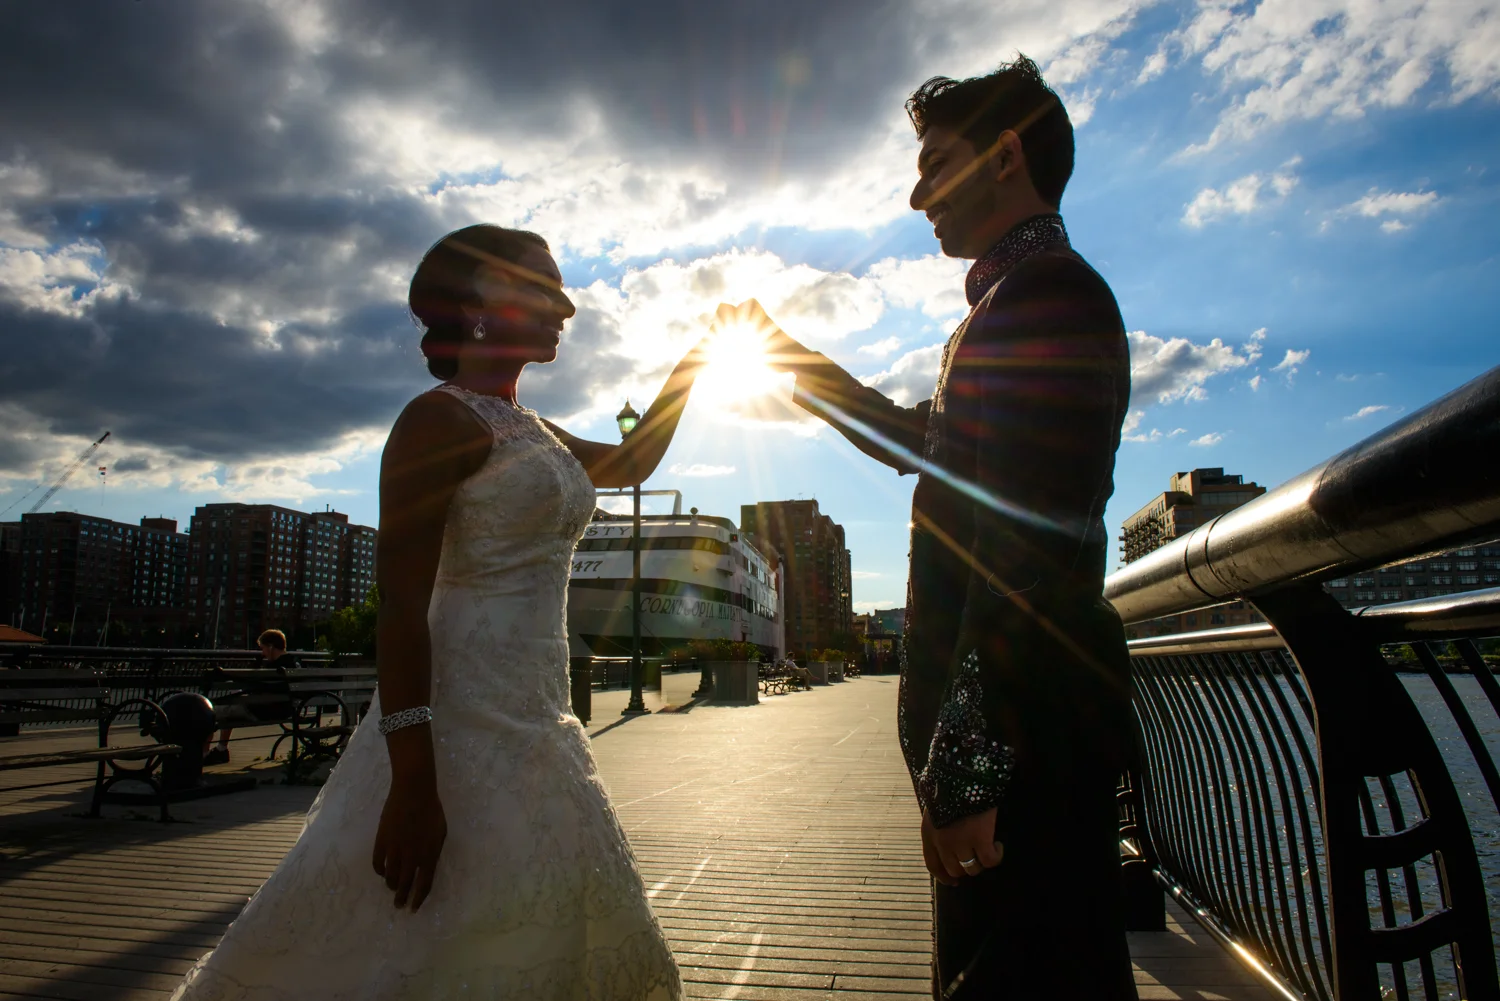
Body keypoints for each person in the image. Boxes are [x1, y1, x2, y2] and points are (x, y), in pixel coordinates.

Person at [172, 224, 708, 1000]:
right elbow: (399, 607)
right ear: (480, 301)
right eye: (545, 289)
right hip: (452, 727)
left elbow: (632, 462)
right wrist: (413, 783)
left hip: (538, 722)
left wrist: (696, 365)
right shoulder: (435, 421)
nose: (567, 306)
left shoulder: (533, 428)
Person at [730, 55, 1137, 999]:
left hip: (1026, 748)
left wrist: (967, 772)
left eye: (935, 163)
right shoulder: (1010, 301)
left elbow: (1027, 554)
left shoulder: (1050, 298)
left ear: (1004, 155)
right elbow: (931, 442)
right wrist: (793, 358)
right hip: (1025, 743)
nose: (919, 197)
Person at [202, 628, 295, 765]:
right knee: (229, 710)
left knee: (206, 713)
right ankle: (221, 749)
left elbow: (252, 686)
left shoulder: (273, 668)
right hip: (284, 711)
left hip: (260, 711)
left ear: (270, 647)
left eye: (263, 649)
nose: (262, 653)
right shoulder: (293, 664)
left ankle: (203, 754)